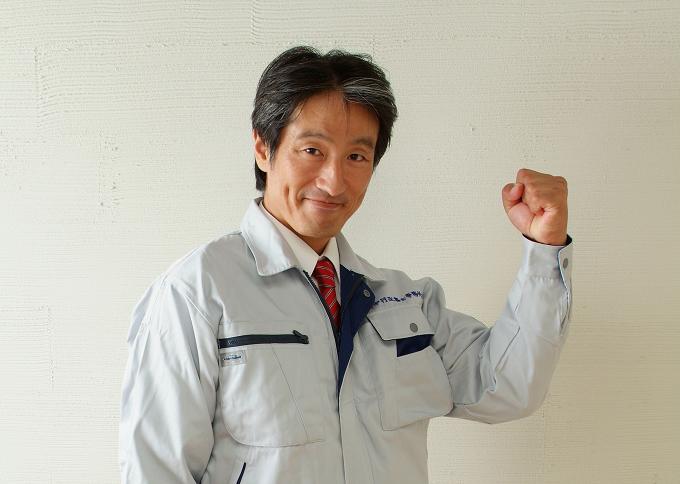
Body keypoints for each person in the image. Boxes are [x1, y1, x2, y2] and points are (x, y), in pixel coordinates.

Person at [119, 46, 573, 484]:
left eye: (356, 156)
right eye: (312, 150)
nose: (334, 180)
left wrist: (544, 247)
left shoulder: (404, 303)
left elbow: (507, 386)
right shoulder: (198, 293)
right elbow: (156, 471)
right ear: (263, 147)